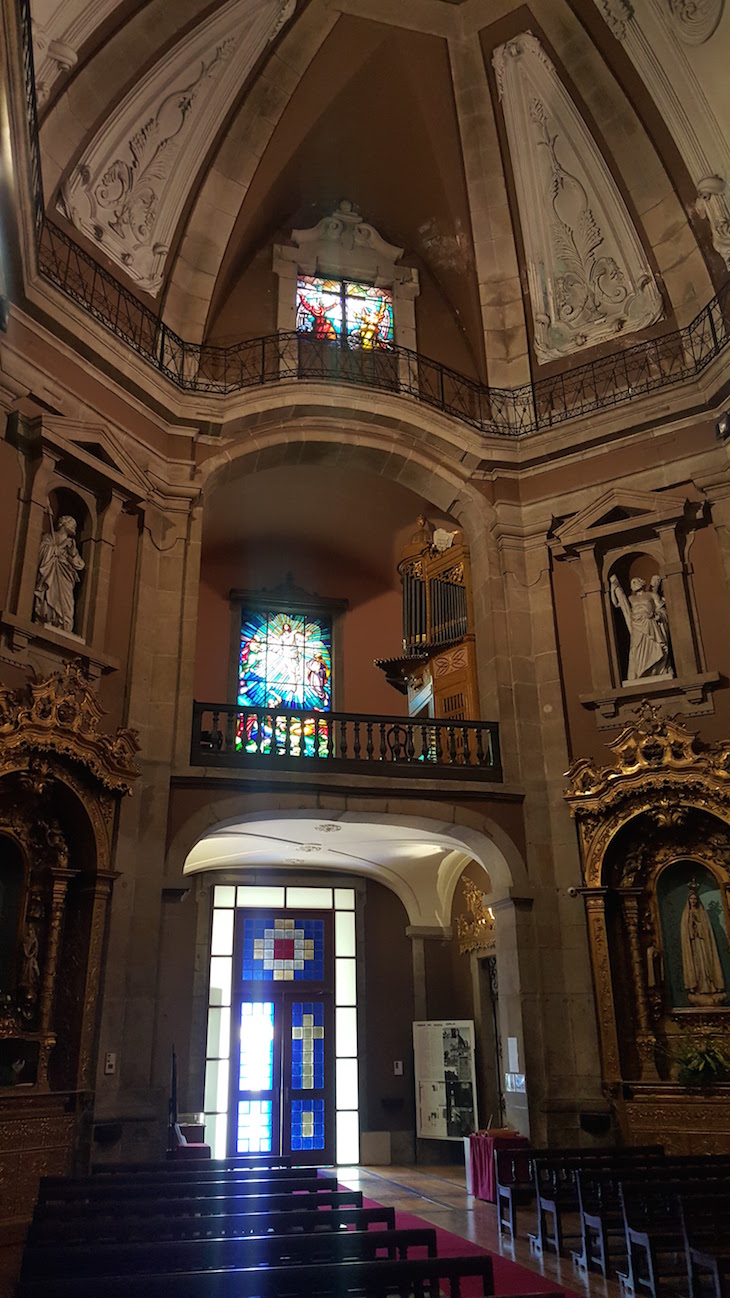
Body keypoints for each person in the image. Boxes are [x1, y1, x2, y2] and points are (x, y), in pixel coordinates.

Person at [609, 572, 672, 681]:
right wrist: (612, 589)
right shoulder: (630, 598)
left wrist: (658, 616)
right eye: (632, 583)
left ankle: (656, 670)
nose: (633, 584)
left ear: (641, 582)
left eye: (635, 581)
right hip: (637, 627)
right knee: (637, 649)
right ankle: (640, 673)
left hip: (649, 623)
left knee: (654, 647)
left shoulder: (652, 595)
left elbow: (662, 610)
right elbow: (616, 603)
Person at [33, 514, 85, 633]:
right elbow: (42, 552)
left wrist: (72, 554)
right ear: (64, 524)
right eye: (72, 524)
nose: (75, 527)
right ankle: (49, 619)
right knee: (51, 596)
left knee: (67, 602)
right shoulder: (50, 537)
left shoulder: (71, 543)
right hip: (51, 574)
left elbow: (80, 565)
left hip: (65, 576)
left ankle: (64, 625)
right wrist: (59, 547)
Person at [680, 885, 726, 1004]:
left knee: (707, 965)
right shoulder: (686, 915)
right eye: (692, 899)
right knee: (697, 967)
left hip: (704, 946)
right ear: (688, 900)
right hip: (694, 946)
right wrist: (691, 925)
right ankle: (698, 987)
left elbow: (707, 931)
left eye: (695, 899)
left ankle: (711, 987)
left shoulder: (703, 913)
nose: (693, 901)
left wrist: (699, 925)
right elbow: (686, 934)